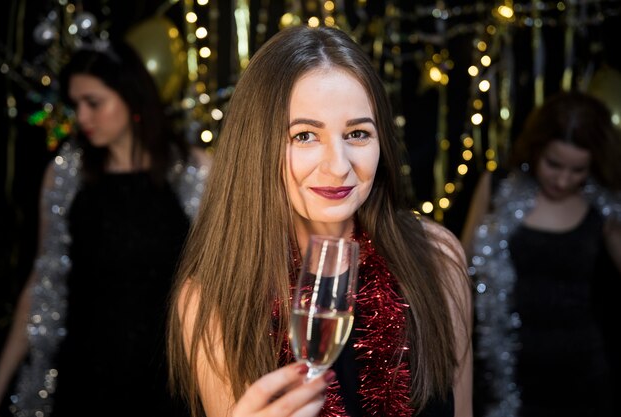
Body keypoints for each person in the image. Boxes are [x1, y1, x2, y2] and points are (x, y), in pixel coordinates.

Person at [166, 25, 473, 417]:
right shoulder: (212, 299)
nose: (339, 166)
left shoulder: (438, 257)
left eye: (358, 133)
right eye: (305, 136)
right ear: (257, 146)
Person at [0, 40, 212, 417]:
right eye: (75, 105)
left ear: (130, 96)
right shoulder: (67, 173)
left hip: (168, 380)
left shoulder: (193, 171)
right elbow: (44, 280)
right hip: (86, 377)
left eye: (93, 103)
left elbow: (217, 285)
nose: (82, 117)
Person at [460, 90, 621, 417]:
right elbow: (460, 268)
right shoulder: (498, 186)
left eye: (578, 170)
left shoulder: (602, 207)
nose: (563, 180)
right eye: (554, 164)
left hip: (580, 372)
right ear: (536, 149)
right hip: (501, 369)